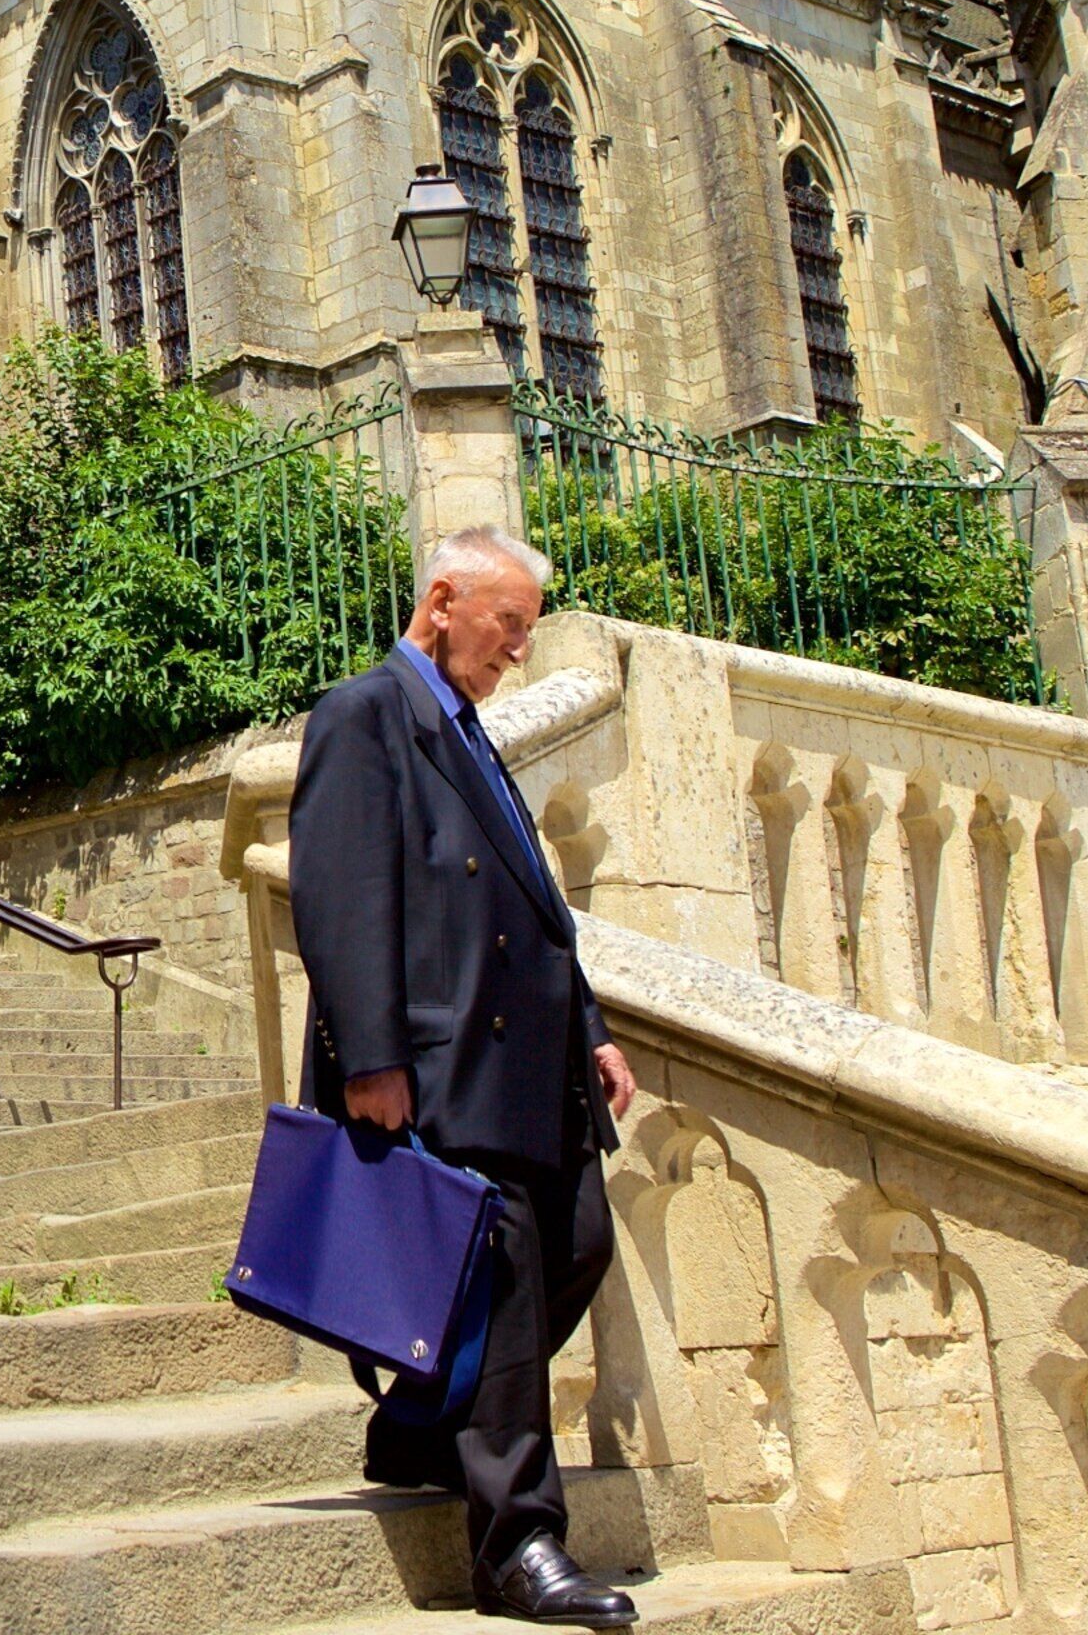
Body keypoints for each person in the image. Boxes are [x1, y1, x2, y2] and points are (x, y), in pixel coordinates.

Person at [286, 524, 639, 1628]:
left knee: (580, 1244)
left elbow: (531, 903)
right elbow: (339, 897)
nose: (518, 651)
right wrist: (372, 1059)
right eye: (509, 626)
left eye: (527, 631)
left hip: (533, 1064)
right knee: (507, 1292)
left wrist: (590, 1026)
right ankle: (517, 1546)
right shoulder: (366, 715)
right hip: (440, 1062)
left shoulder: (468, 730)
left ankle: (415, 1427)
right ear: (442, 602)